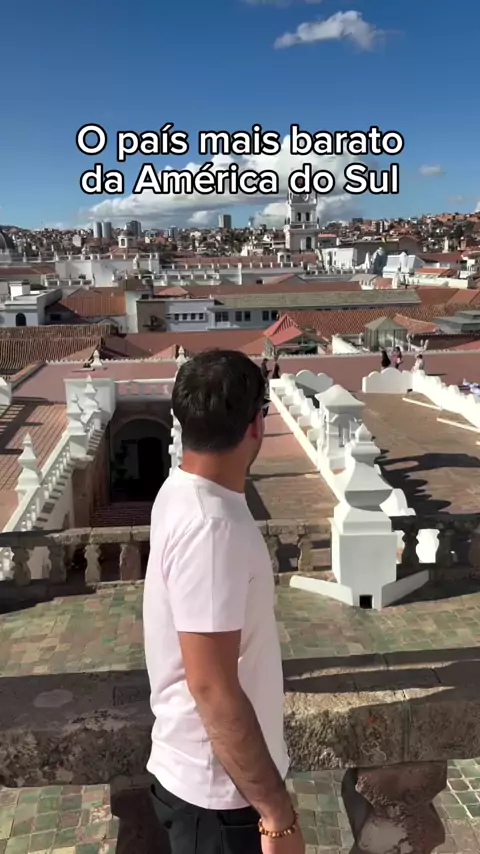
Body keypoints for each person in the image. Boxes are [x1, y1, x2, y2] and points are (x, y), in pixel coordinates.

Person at [143, 349, 304, 854]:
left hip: (210, 786)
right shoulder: (211, 526)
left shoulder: (181, 491)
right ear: (256, 424)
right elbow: (212, 687)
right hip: (219, 799)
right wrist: (277, 817)